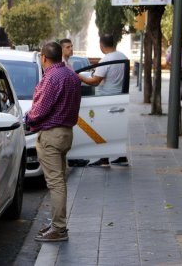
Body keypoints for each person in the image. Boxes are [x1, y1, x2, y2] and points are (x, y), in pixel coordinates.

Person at [25, 42, 81, 242]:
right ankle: (57, 224)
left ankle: (58, 228)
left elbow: (40, 109)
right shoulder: (71, 76)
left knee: (55, 183)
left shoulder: (51, 77)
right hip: (66, 133)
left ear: (44, 57)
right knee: (59, 182)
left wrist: (27, 119)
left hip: (52, 135)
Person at [78, 34, 129, 167]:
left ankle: (104, 158)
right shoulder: (122, 57)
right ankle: (122, 157)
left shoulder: (106, 60)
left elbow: (95, 81)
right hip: (120, 96)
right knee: (116, 128)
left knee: (102, 129)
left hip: (106, 98)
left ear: (101, 45)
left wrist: (79, 77)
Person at [59, 38, 90, 167]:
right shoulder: (61, 64)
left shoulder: (68, 63)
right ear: (61, 49)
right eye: (67, 47)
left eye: (71, 46)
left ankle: (71, 158)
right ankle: (70, 159)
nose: (71, 49)